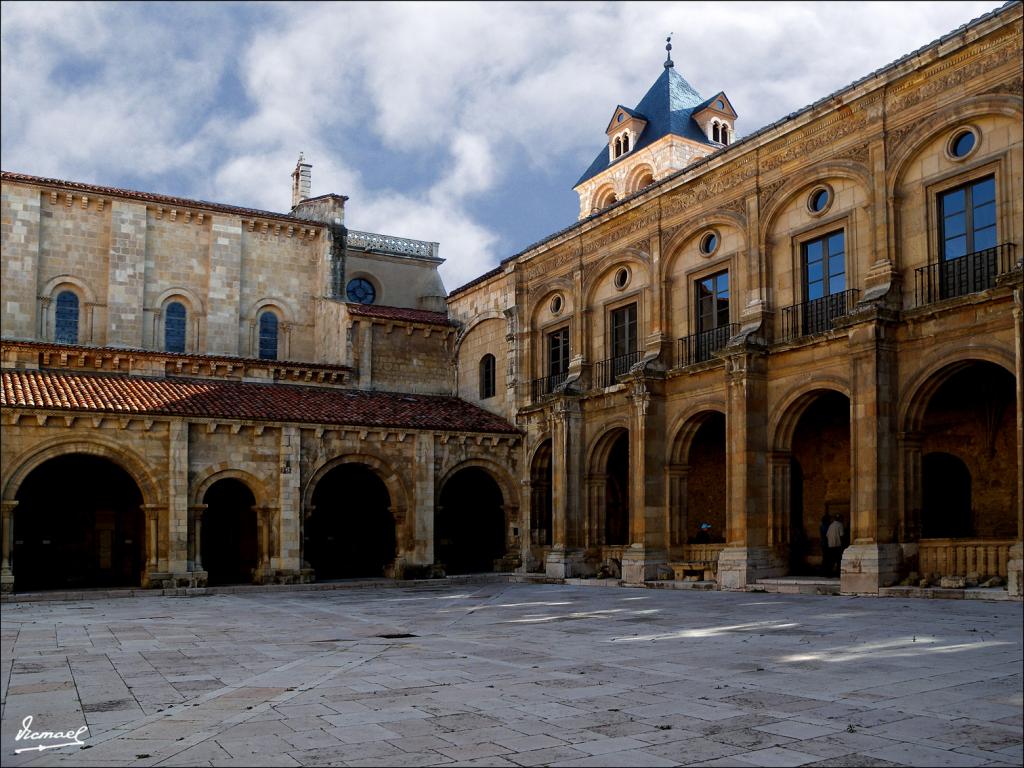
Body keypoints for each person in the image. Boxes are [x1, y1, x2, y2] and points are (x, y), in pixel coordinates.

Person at [819, 511, 832, 576]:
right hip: (826, 544)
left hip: (824, 543)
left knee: (826, 558)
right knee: (827, 558)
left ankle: (825, 572)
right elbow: (827, 534)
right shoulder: (825, 526)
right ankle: (826, 572)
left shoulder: (822, 526)